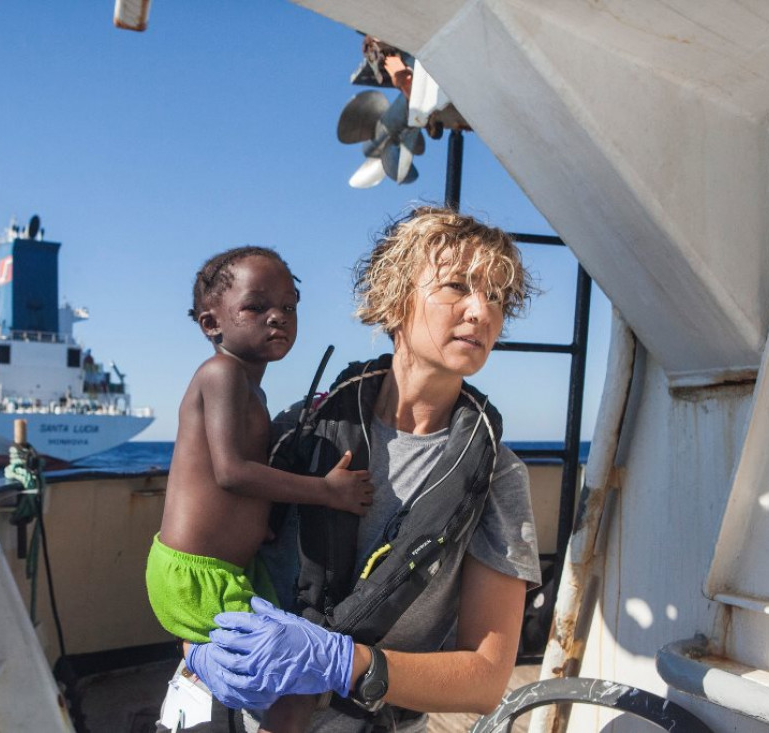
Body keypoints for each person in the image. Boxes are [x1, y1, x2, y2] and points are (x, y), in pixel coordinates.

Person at [184, 207, 543, 733]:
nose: (480, 311)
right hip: (233, 710)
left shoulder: (498, 476)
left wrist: (342, 662)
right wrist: (196, 650)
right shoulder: (303, 431)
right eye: (456, 287)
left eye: (495, 297)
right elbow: (198, 555)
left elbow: (486, 678)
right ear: (395, 298)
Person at [146, 246, 376, 732]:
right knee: (300, 680)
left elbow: (236, 486)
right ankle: (209, 667)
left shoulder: (253, 389)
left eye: (290, 307)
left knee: (297, 640)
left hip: (229, 569)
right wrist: (327, 491)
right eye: (256, 307)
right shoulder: (221, 374)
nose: (279, 318)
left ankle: (207, 666)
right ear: (212, 324)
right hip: (196, 575)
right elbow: (231, 471)